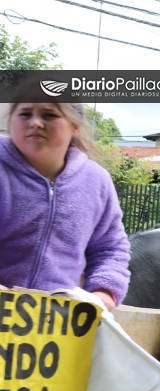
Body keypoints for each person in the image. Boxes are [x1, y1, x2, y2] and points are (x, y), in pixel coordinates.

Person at [0, 98, 130, 310]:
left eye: (49, 115)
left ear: (75, 127)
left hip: (60, 325)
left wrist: (104, 292)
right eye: (24, 114)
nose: (35, 122)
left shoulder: (96, 181)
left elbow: (110, 248)